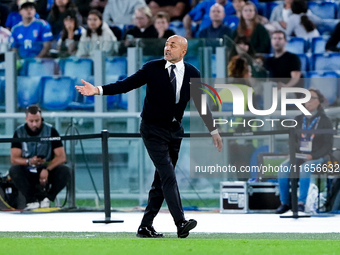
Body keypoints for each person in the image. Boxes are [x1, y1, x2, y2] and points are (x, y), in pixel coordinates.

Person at [75, 35, 223, 238]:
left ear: (183, 51)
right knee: (168, 175)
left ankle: (145, 226)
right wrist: (98, 90)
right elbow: (125, 85)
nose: (167, 48)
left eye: (173, 45)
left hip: (174, 131)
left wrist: (213, 130)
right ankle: (180, 222)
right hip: (152, 129)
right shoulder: (152, 68)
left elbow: (201, 104)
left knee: (161, 180)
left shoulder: (192, 73)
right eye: (166, 44)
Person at [276, 89, 333, 214]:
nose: (309, 101)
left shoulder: (325, 121)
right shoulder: (298, 119)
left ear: (319, 101)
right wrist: (292, 153)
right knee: (283, 168)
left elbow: (328, 145)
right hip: (299, 155)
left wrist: (312, 156)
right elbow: (292, 139)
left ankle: (301, 203)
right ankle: (285, 203)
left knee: (305, 168)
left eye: (313, 98)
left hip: (319, 156)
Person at [9, 105, 71, 210]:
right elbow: (14, 158)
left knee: (65, 170)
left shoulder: (51, 131)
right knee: (14, 170)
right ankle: (31, 200)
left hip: (47, 168)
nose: (34, 124)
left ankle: (47, 197)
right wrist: (29, 161)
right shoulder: (19, 132)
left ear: (41, 118)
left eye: (37, 121)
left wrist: (47, 169)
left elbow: (61, 156)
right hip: (27, 169)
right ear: (26, 119)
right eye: (31, 121)